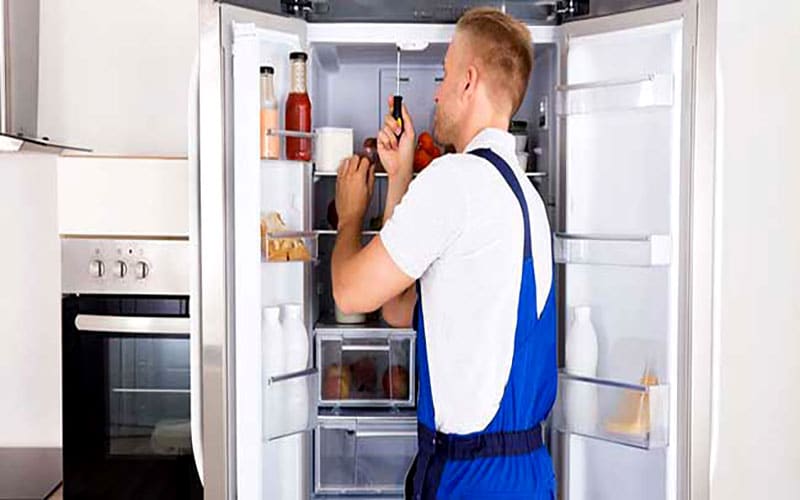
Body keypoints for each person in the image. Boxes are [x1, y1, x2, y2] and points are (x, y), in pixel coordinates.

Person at [331, 7, 556, 499]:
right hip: (527, 474)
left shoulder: (455, 180)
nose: (436, 92)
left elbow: (350, 293)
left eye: (445, 72)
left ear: (468, 81)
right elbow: (399, 308)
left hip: (472, 479)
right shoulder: (525, 199)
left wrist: (350, 215)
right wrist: (399, 177)